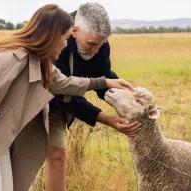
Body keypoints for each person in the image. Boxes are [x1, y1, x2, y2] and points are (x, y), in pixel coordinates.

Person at [0, 4, 137, 191]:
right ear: (53, 36)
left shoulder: (39, 61)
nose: (66, 43)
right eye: (65, 37)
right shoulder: (8, 60)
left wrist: (106, 83)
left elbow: (65, 83)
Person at [45, 3, 141, 191]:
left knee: (58, 154)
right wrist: (107, 119)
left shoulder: (99, 45)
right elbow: (65, 93)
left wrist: (129, 101)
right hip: (41, 100)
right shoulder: (56, 42)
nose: (96, 50)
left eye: (101, 44)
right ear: (75, 31)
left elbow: (102, 78)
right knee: (28, 157)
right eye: (91, 44)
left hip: (63, 100)